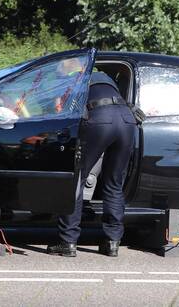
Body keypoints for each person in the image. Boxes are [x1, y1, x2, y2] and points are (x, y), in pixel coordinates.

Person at [48, 70, 137, 258]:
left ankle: (68, 241)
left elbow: (59, 108)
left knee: (76, 179)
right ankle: (112, 242)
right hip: (127, 119)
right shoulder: (105, 77)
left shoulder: (72, 79)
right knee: (114, 183)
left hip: (100, 117)